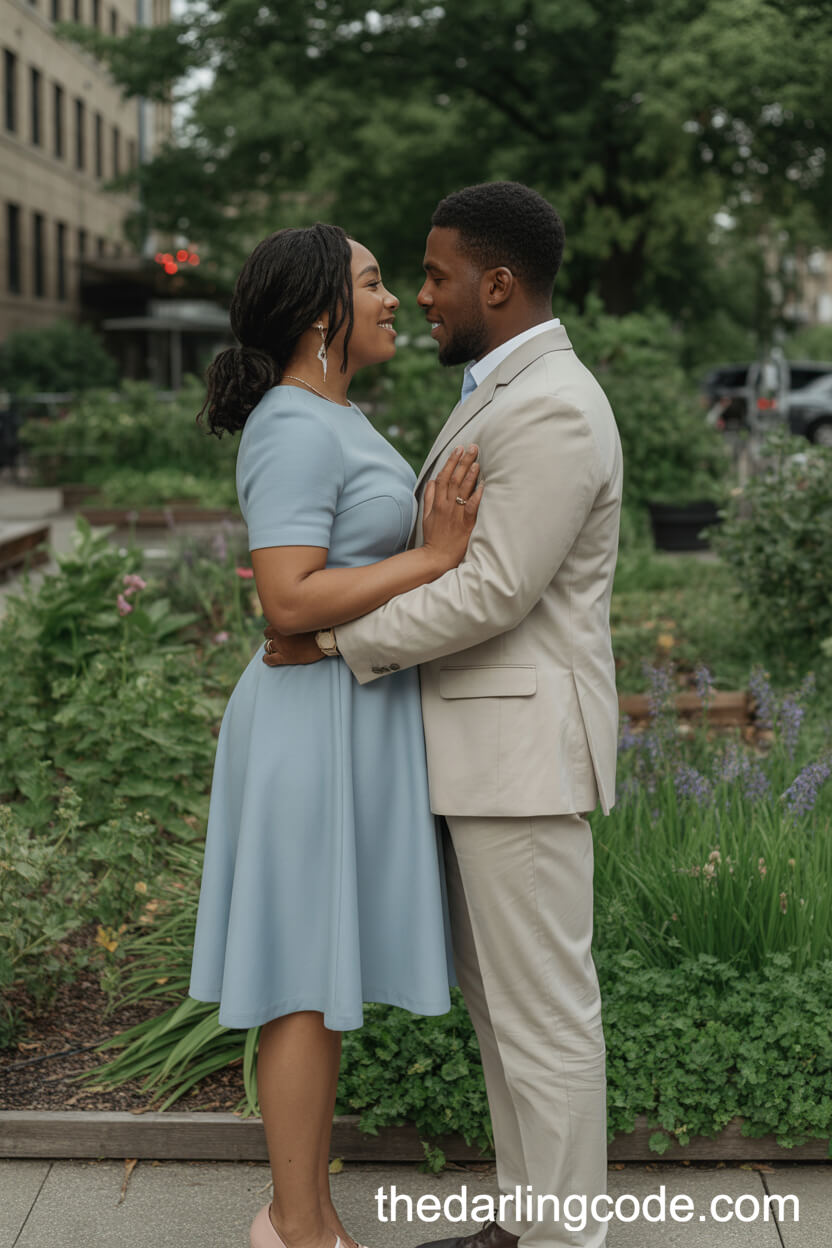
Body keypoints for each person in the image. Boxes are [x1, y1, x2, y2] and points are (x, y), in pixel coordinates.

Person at [262, 182, 624, 1248]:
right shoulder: (499, 388)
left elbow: (493, 590)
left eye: (435, 275)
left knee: (545, 1016)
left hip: (519, 753)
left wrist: (328, 641)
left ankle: (560, 1238)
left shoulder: (552, 400)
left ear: (498, 284)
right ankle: (524, 1223)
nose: (420, 296)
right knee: (505, 1016)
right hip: (477, 752)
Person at [187, 222, 485, 1248]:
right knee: (303, 988)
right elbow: (285, 599)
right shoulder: (291, 424)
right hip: (304, 735)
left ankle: (301, 1216)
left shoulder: (334, 414)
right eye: (371, 282)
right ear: (323, 315)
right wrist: (435, 556)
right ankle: (300, 1228)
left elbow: (312, 606)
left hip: (336, 715)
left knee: (316, 982)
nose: (395, 296)